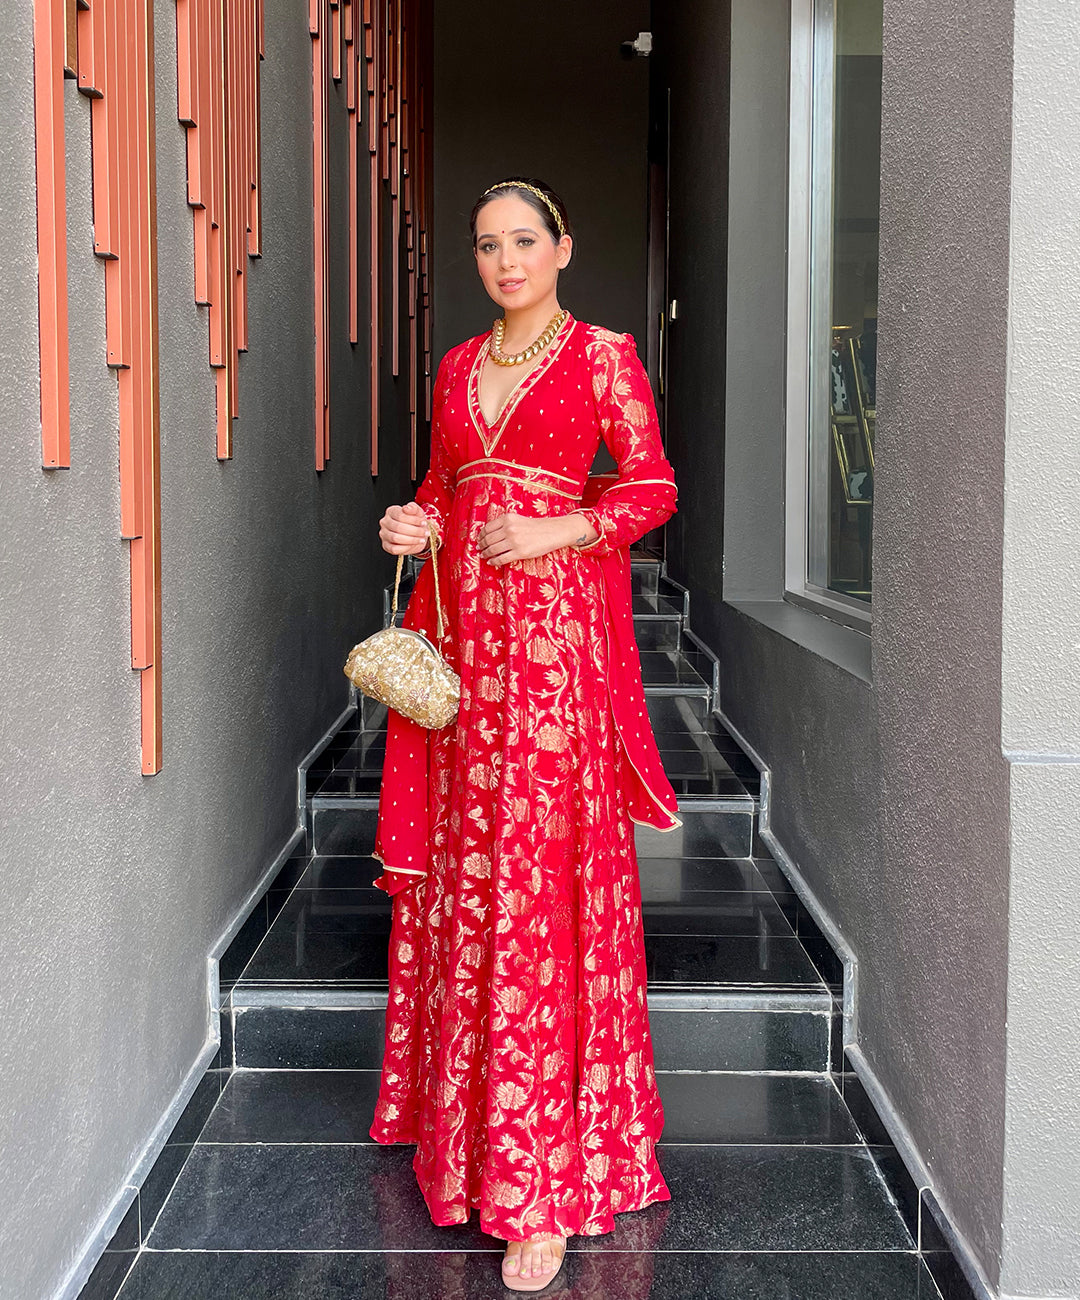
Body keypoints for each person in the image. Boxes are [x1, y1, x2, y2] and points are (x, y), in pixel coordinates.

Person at [369, 176, 681, 1292]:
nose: (506, 261)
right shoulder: (458, 368)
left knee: (539, 894)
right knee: (473, 884)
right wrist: (418, 519)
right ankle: (464, 1151)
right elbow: (443, 489)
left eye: (524, 241)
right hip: (467, 676)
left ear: (563, 246)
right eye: (488, 246)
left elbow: (652, 487)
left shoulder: (602, 357)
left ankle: (541, 1185)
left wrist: (555, 522)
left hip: (555, 666)